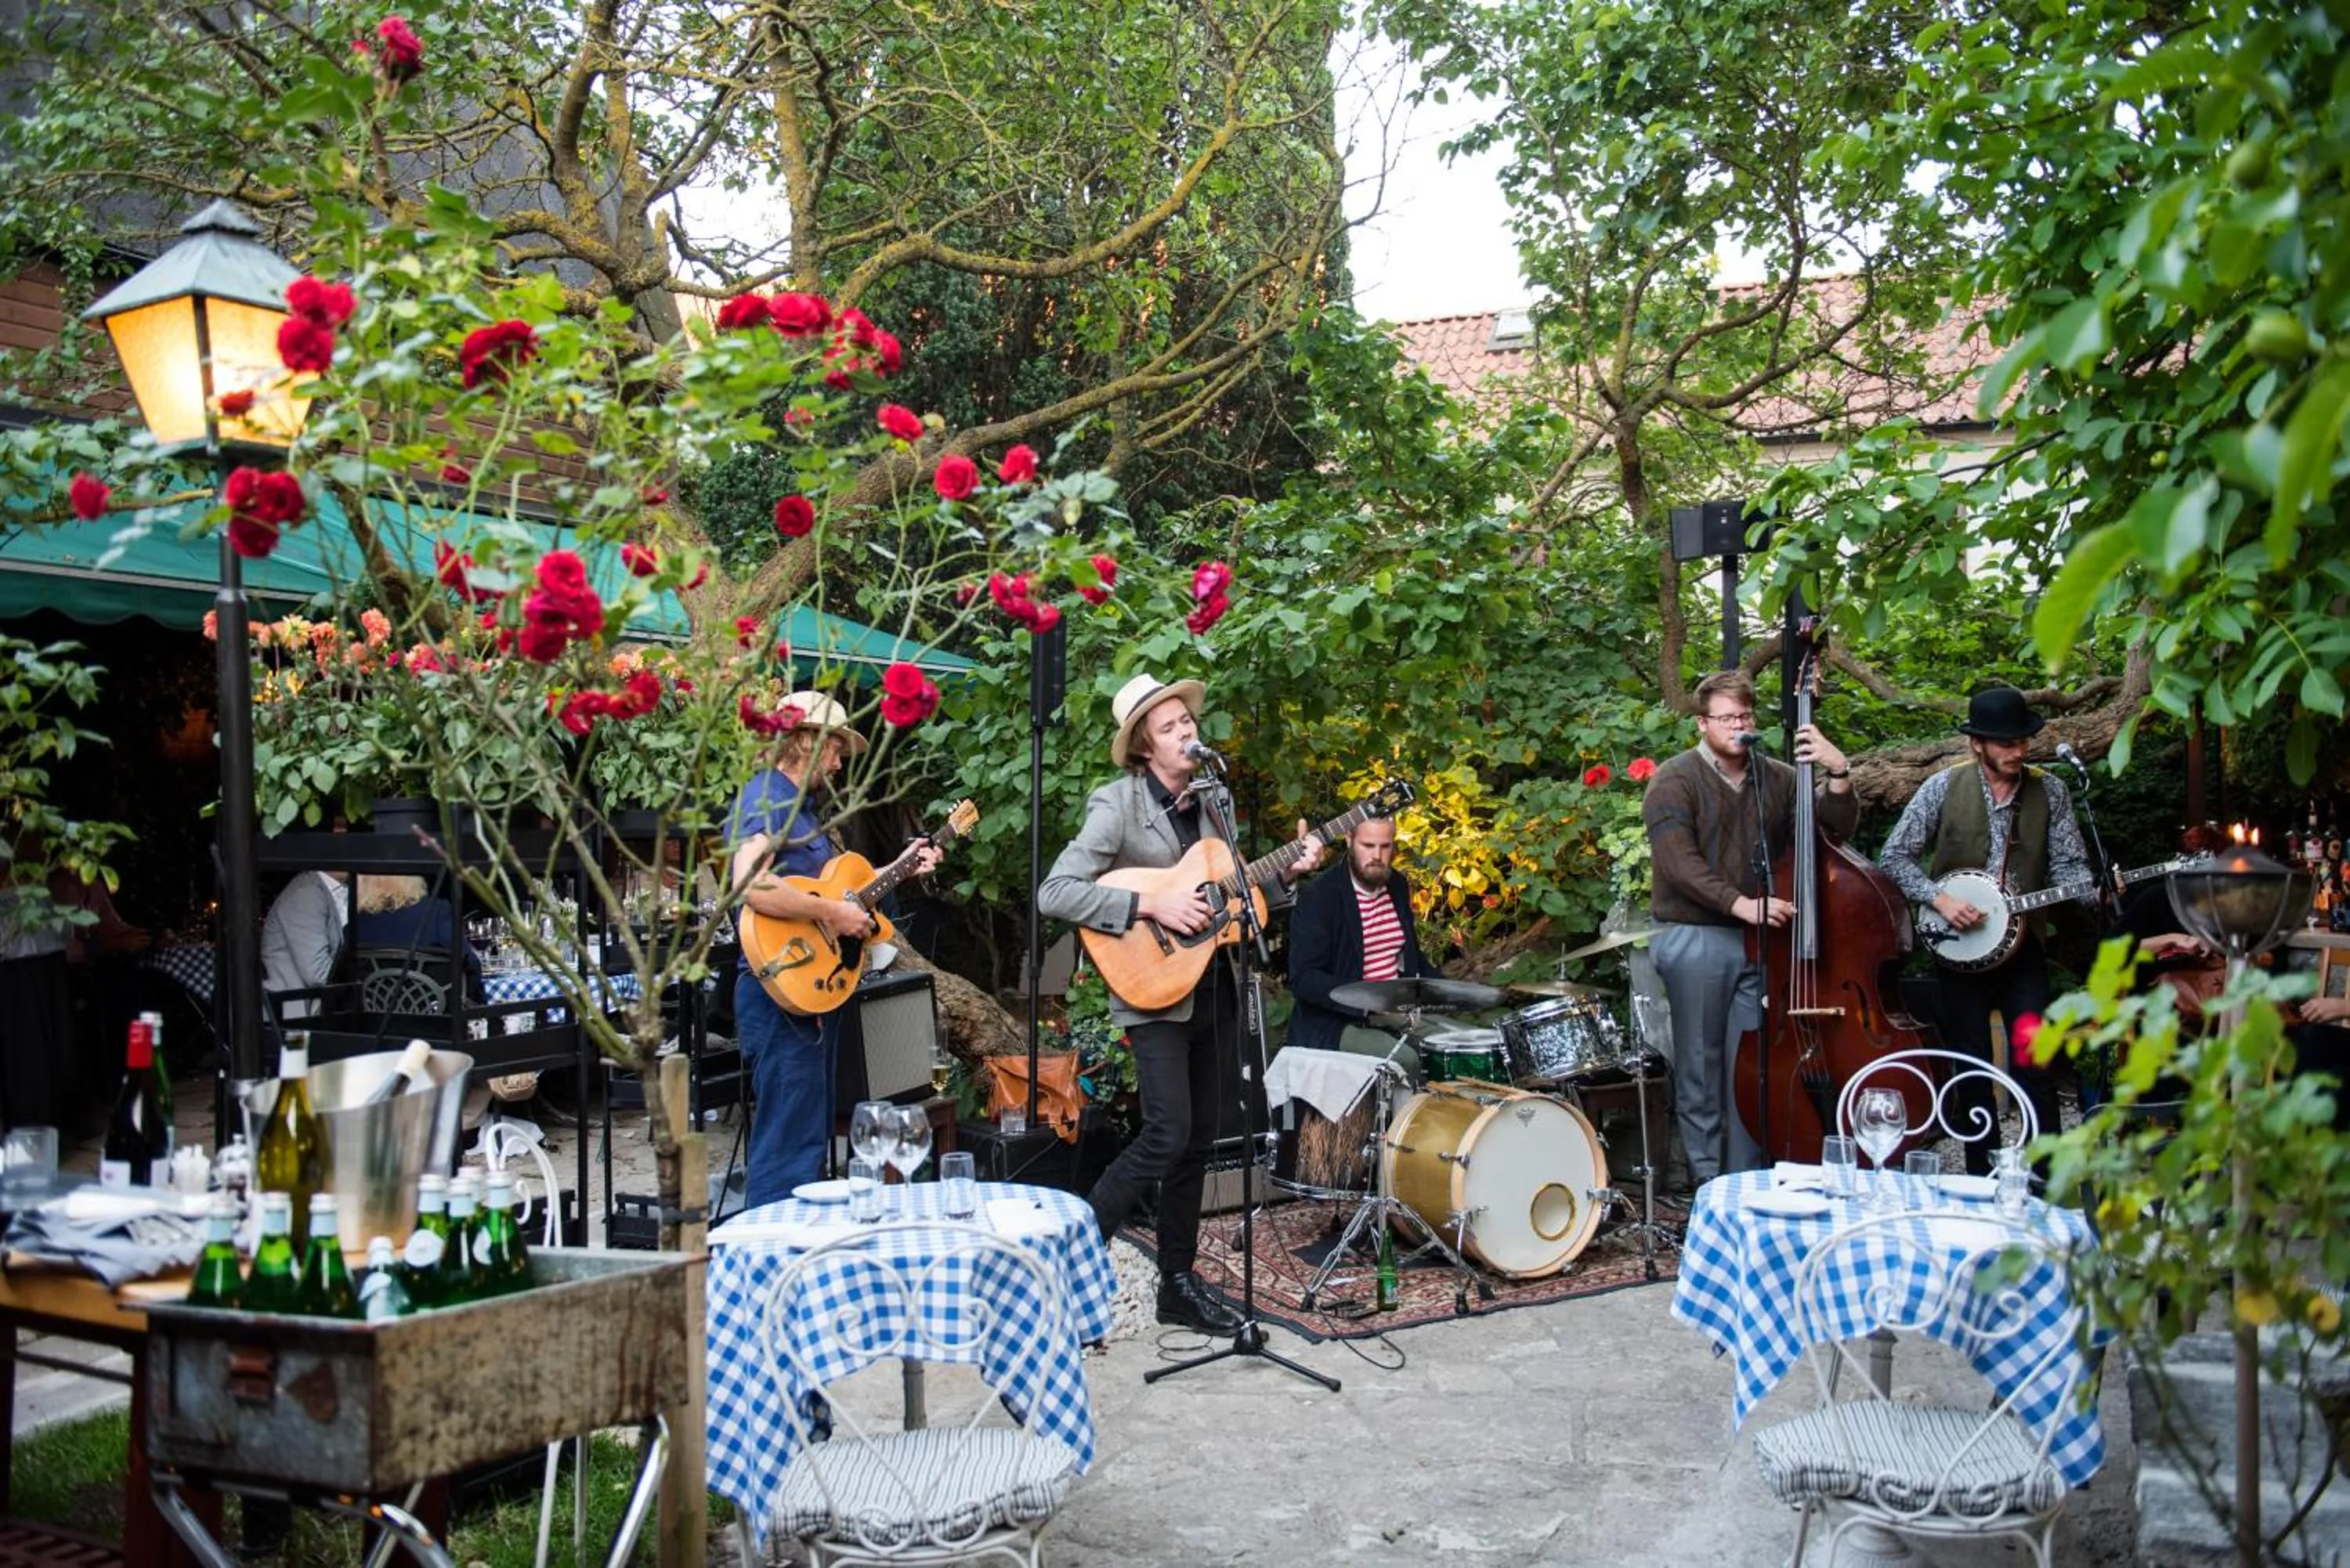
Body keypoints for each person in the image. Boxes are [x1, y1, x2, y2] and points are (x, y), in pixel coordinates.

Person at [1036, 672, 1324, 1336]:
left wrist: (1287, 875)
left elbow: (1235, 897)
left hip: (1213, 984)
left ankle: (1176, 1281)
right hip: (1152, 990)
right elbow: (1057, 891)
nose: (1186, 733)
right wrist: (1149, 902)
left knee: (1195, 1141)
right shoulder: (1116, 805)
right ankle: (1070, 1256)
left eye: (1186, 722)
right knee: (1166, 1132)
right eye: (1168, 728)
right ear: (1143, 748)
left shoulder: (1213, 797)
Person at [1641, 668, 1855, 1184]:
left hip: (1763, 942)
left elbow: (1831, 833)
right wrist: (1740, 904)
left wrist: (1839, 773)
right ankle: (1709, 1186)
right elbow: (1678, 862)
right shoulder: (1674, 778)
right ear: (1702, 723)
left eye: (1746, 715)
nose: (1739, 724)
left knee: (1751, 1069)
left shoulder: (1777, 777)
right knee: (1701, 1068)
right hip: (1696, 935)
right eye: (1728, 717)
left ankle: (1747, 1183)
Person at [727, 690, 940, 1208]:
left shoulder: (804, 812)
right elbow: (748, 885)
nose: (841, 761)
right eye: (835, 748)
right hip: (777, 993)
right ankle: (770, 1275)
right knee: (786, 1156)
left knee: (803, 1147)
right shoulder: (770, 798)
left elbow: (837, 895)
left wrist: (900, 868)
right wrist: (833, 914)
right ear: (804, 740)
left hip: (806, 992)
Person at [1878, 684, 2094, 1172]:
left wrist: (2090, 888)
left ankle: (2045, 1175)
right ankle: (1978, 1175)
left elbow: (2071, 865)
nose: (2017, 751)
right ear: (1977, 743)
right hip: (1958, 950)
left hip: (2025, 950)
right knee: (1971, 1065)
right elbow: (1894, 857)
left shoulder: (2050, 791)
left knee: (2034, 1059)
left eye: (2022, 741)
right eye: (2005, 743)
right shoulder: (1942, 787)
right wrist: (1940, 898)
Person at [1287, 811, 1426, 1076]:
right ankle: (1407, 1119)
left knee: (1459, 1039)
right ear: (1349, 839)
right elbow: (1304, 978)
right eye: (1368, 846)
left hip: (1397, 1009)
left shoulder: (1396, 884)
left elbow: (1411, 957)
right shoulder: (1320, 895)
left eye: (1385, 847)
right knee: (1406, 1060)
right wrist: (1365, 1000)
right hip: (1337, 1020)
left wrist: (1453, 993)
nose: (1377, 855)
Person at [260, 868, 349, 1019]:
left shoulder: (329, 889)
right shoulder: (306, 894)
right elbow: (318, 974)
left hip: (308, 1008)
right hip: (292, 1012)